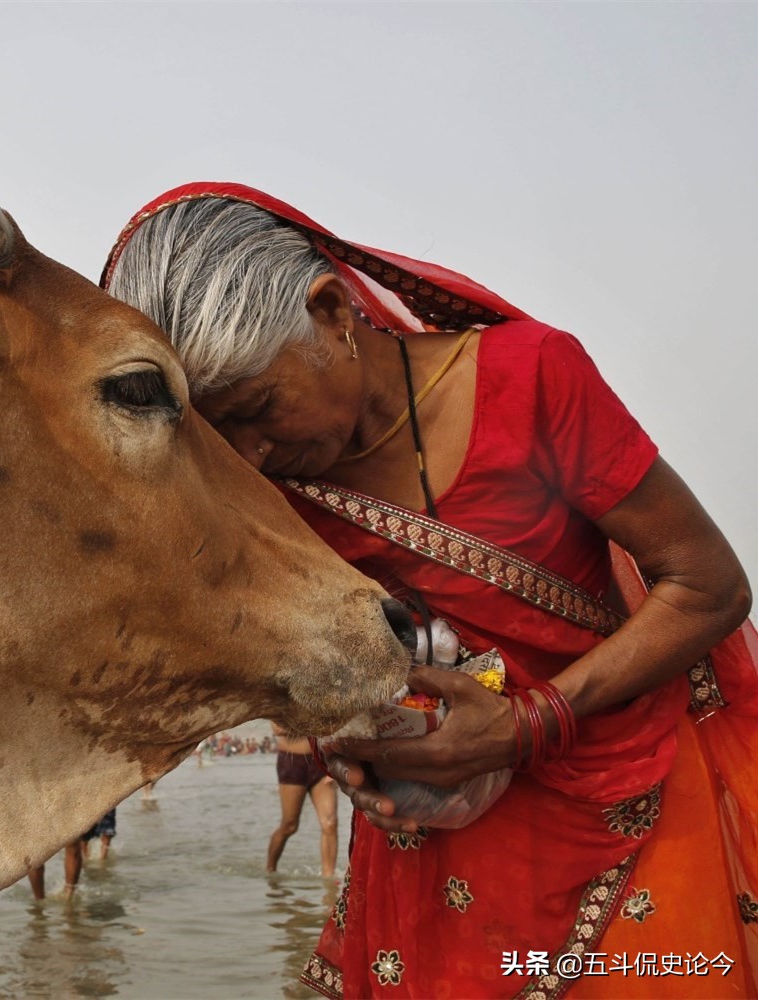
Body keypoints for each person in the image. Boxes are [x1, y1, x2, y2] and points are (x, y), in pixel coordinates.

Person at [101, 182, 758, 998]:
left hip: (633, 775)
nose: (253, 456)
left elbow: (709, 586)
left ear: (334, 312)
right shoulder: (274, 493)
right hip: (444, 825)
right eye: (220, 437)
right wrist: (362, 759)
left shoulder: (532, 378)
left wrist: (522, 726)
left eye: (259, 409)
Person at [268, 721, 339, 877]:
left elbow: (337, 724)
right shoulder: (286, 696)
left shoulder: (325, 697)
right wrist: (316, 722)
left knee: (330, 823)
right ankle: (270, 870)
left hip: (321, 762)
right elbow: (279, 729)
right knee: (289, 825)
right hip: (292, 762)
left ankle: (329, 881)